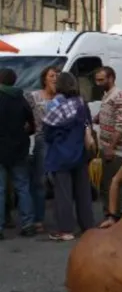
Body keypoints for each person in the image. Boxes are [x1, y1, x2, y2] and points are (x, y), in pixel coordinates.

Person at [42, 72, 94, 241]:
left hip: (60, 155)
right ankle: (88, 226)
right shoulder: (81, 103)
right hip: (80, 154)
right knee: (83, 192)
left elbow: (47, 133)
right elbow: (88, 125)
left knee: (63, 194)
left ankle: (66, 230)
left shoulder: (54, 106)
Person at [94, 66, 122, 222]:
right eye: (96, 80)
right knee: (106, 184)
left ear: (111, 78)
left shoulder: (119, 96)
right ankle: (112, 216)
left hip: (115, 151)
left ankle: (118, 218)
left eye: (101, 80)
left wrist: (111, 148)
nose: (98, 83)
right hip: (108, 148)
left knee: (113, 184)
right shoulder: (109, 95)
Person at [0, 69, 37, 240]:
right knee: (23, 187)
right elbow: (32, 124)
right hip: (19, 149)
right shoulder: (21, 99)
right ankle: (28, 224)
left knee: (0, 190)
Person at [27, 65, 59, 236]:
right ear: (44, 79)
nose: (55, 78)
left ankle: (61, 219)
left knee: (59, 181)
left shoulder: (62, 98)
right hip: (42, 141)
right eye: (52, 75)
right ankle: (38, 219)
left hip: (59, 142)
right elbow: (25, 115)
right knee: (39, 181)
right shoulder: (34, 96)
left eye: (57, 76)